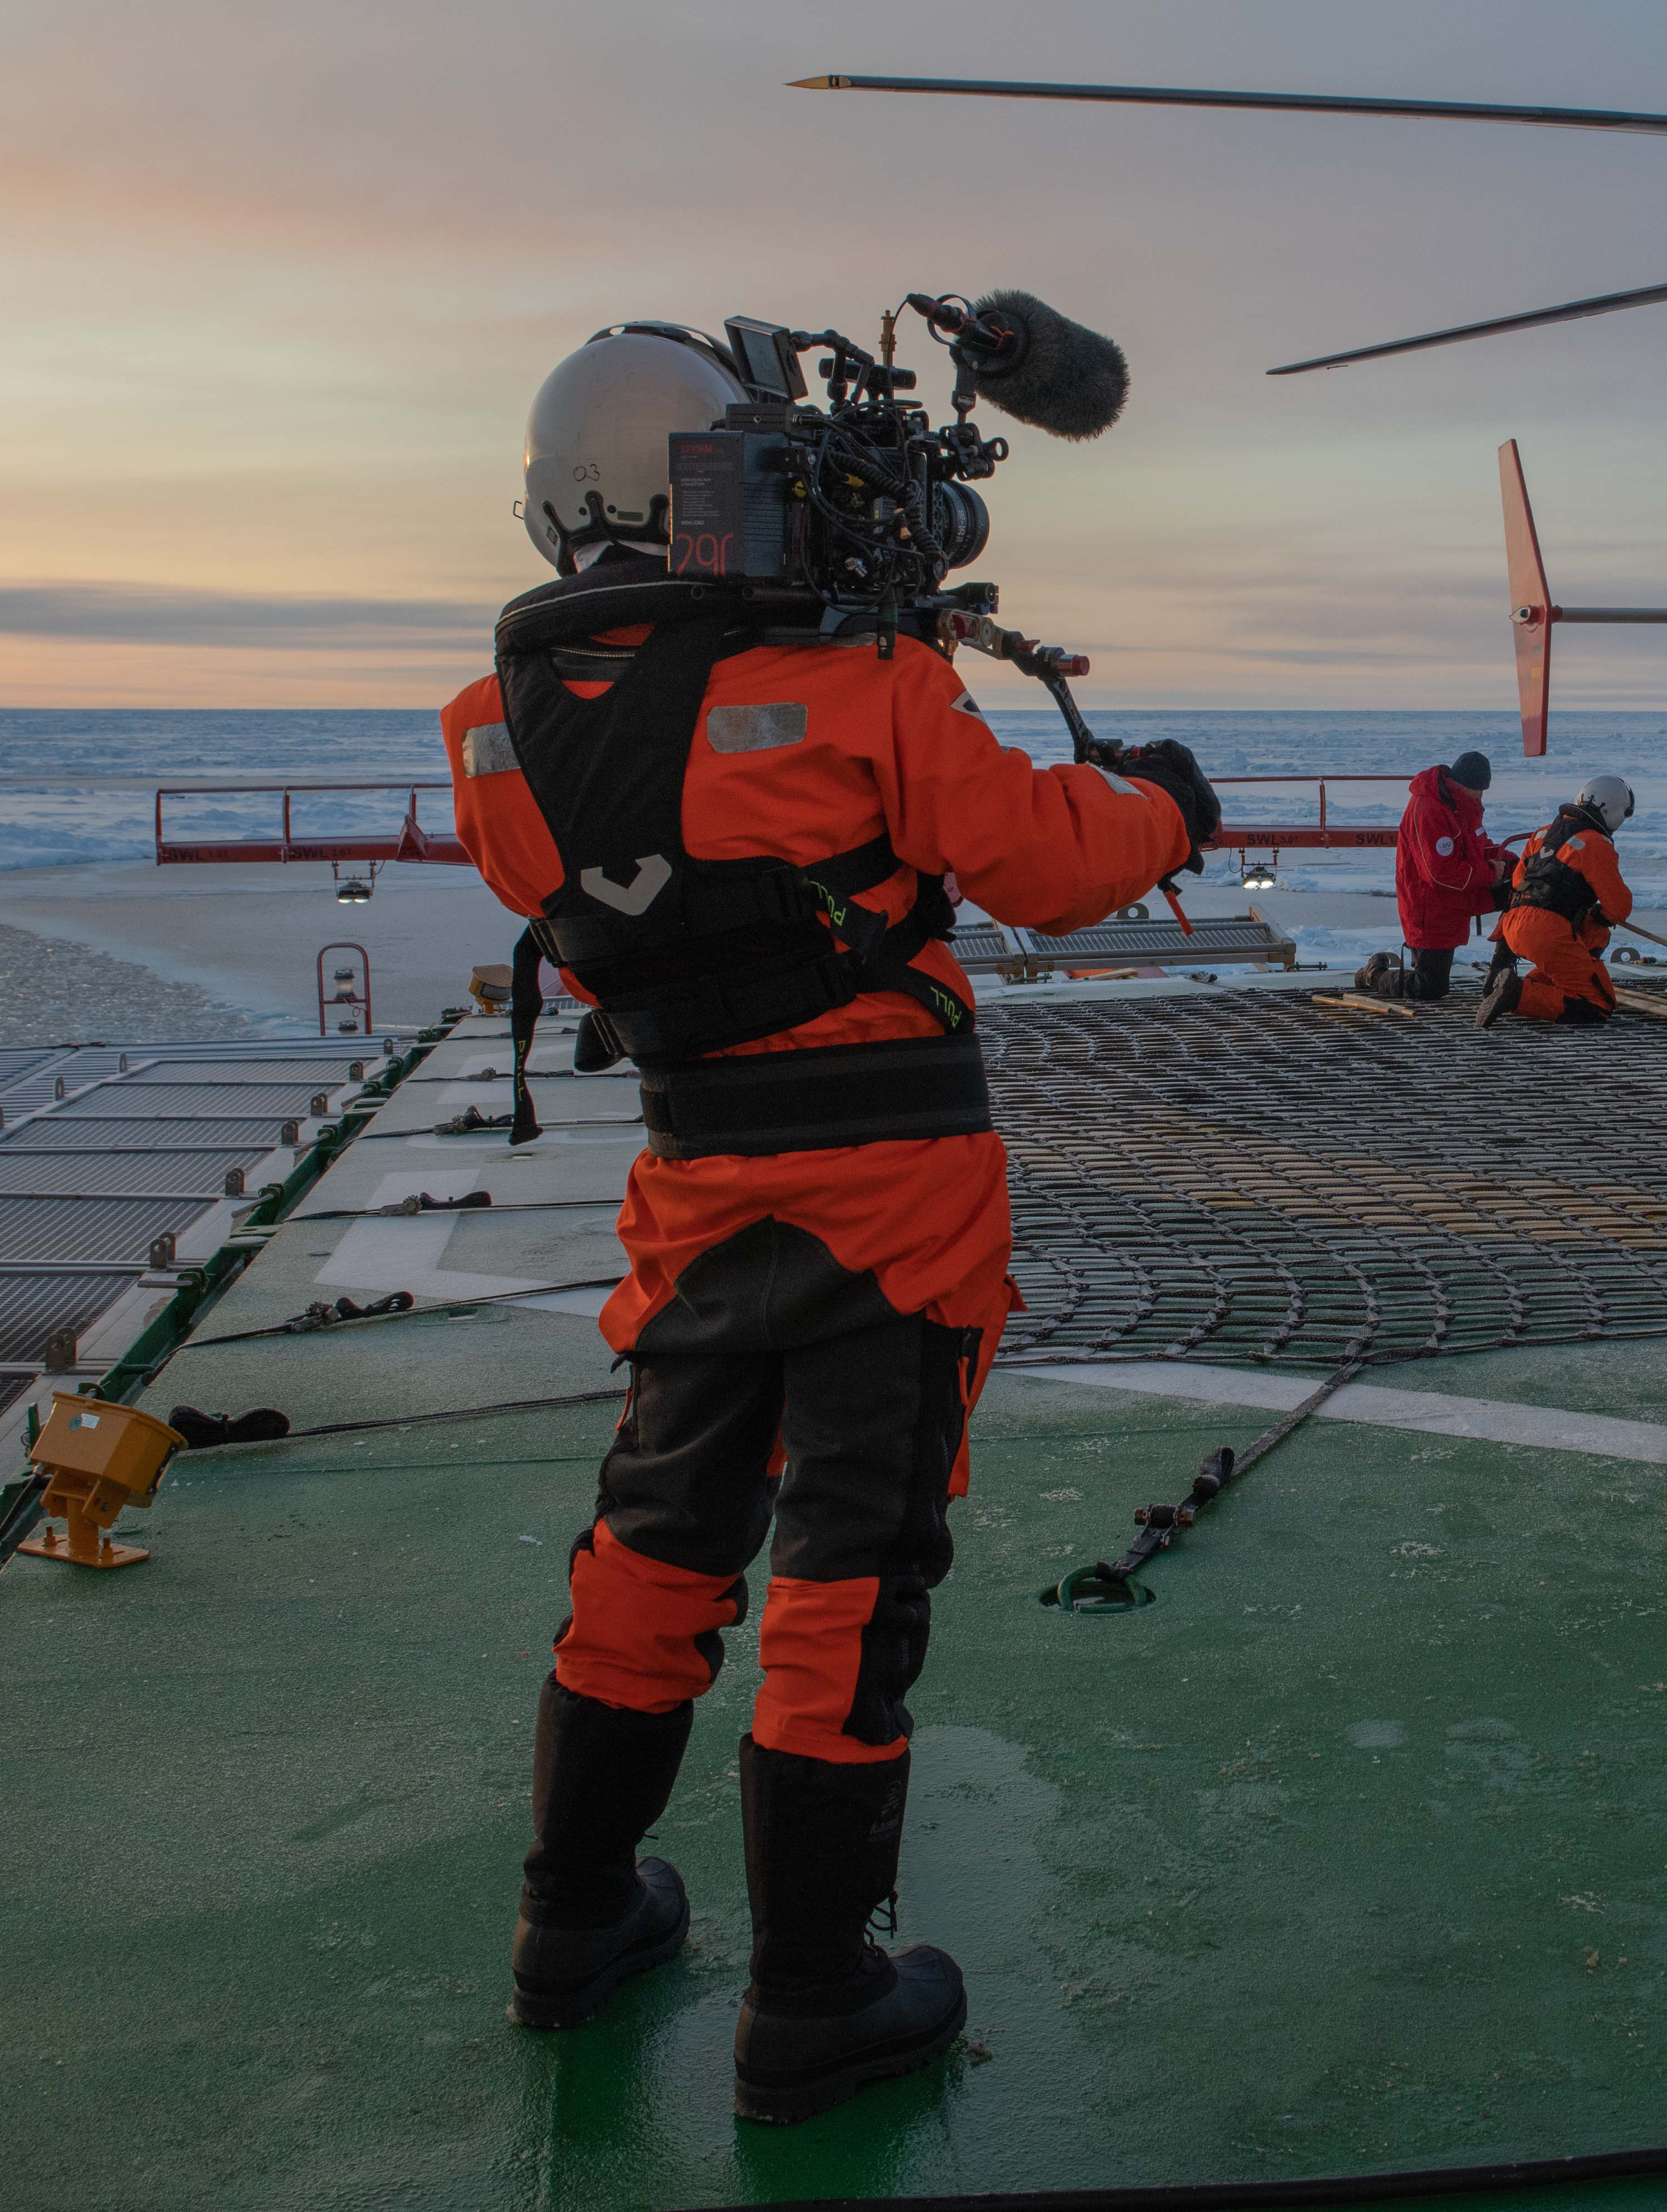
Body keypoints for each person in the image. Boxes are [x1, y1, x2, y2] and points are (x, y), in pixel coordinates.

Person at [446, 324, 1212, 2125]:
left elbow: (596, 896)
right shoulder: (863, 678)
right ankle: (812, 1997)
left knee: (658, 1532)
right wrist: (1172, 801)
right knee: (852, 1564)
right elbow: (1044, 861)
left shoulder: (492, 727)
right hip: (896, 1195)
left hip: (694, 1180)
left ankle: (571, 1926)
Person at [1478, 774, 1634, 1026]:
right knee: (1598, 1004)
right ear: (1615, 812)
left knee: (1594, 933)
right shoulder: (1595, 844)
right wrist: (1601, 915)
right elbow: (1619, 907)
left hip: (1513, 926)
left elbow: (1518, 884)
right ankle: (1517, 994)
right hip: (1546, 933)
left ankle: (1515, 985)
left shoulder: (1543, 834)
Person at [1360, 749, 1505, 1000]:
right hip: (1431, 908)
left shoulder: (1462, 805)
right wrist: (1492, 872)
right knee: (1428, 988)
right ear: (1462, 785)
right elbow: (1439, 874)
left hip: (1457, 899)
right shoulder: (1429, 809)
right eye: (1479, 790)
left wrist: (1508, 859)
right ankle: (1374, 975)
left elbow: (1478, 845)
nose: (1481, 796)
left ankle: (1501, 972)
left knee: (1518, 887)